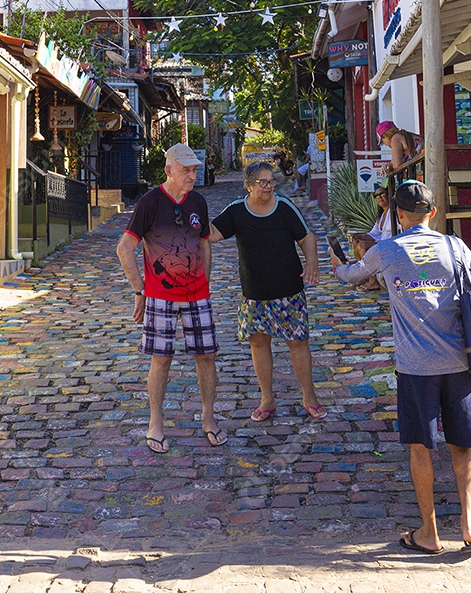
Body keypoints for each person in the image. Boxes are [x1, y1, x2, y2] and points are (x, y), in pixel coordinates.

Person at [330, 180, 471, 554]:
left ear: (398, 215)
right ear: (433, 213)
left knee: (420, 447)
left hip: (415, 368)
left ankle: (429, 532)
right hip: (456, 363)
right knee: (462, 444)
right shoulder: (455, 246)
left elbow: (352, 277)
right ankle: (470, 525)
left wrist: (338, 264)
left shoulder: (387, 250)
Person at [116, 142, 226, 454]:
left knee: (206, 356)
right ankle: (155, 423)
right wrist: (140, 291)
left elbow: (204, 243)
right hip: (161, 297)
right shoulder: (150, 203)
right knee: (161, 359)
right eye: (186, 170)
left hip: (197, 296)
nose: (192, 175)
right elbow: (124, 248)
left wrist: (204, 281)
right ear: (169, 170)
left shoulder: (198, 202)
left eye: (195, 170)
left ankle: (208, 417)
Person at [209, 160, 326, 422]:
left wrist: (312, 264)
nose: (268, 186)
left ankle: (309, 396)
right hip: (254, 294)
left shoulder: (284, 207)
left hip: (289, 291)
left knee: (297, 342)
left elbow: (306, 237)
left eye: (271, 181)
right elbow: (213, 233)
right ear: (248, 186)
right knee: (259, 343)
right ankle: (267, 399)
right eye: (262, 182)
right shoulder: (237, 211)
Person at [350, 184, 393, 292]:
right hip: (381, 243)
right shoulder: (382, 214)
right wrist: (359, 236)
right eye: (376, 195)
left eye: (382, 194)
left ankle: (373, 281)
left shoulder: (394, 212)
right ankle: (364, 277)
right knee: (357, 242)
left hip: (390, 244)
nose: (379, 197)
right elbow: (374, 233)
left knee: (362, 245)